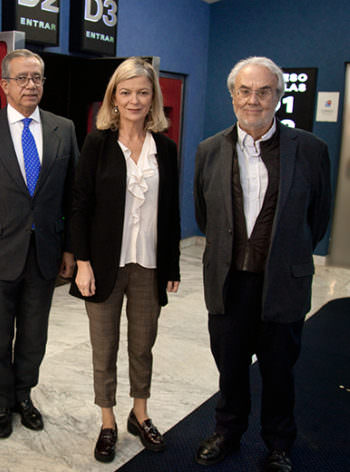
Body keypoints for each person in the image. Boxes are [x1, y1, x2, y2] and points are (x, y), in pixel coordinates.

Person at [193, 57, 331, 472]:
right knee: (230, 366)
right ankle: (228, 431)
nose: (253, 100)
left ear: (279, 96)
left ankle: (278, 443)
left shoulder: (309, 149)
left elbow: (317, 219)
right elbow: (205, 215)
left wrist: (289, 250)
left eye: (264, 91)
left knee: (278, 372)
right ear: (232, 95)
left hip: (283, 281)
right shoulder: (209, 150)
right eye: (244, 91)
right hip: (229, 281)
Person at [0, 49, 78, 439]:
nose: (31, 85)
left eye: (37, 78)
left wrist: (70, 249)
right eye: (22, 78)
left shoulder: (64, 128)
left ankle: (25, 396)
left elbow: (74, 196)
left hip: (44, 255)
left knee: (34, 335)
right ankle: (2, 403)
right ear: (4, 84)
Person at [70, 57, 181, 463]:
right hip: (103, 265)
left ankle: (140, 414)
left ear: (153, 99)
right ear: (113, 98)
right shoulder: (97, 143)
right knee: (104, 345)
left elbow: (171, 212)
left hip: (149, 264)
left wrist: (172, 265)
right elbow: (79, 205)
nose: (134, 100)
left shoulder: (165, 149)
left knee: (142, 344)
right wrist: (82, 262)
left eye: (143, 92)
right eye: (126, 92)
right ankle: (108, 421)